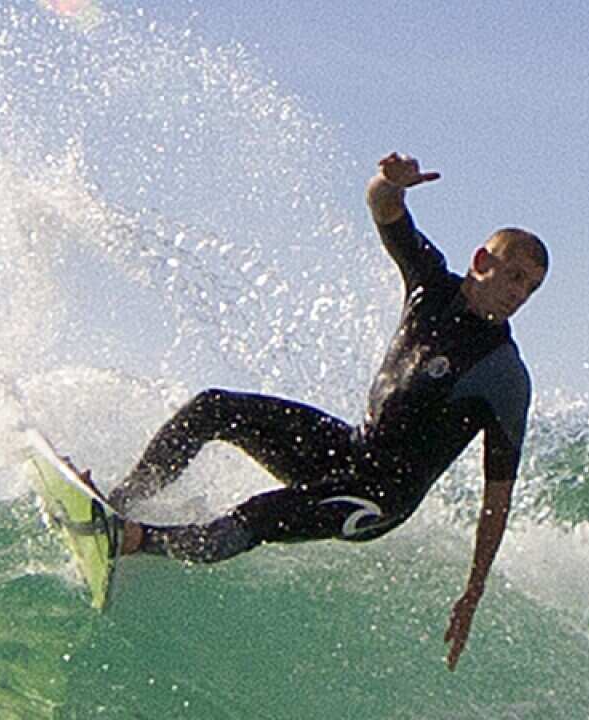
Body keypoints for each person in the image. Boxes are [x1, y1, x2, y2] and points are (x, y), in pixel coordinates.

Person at [105, 152, 548, 670]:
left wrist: (473, 593)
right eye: (514, 275)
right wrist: (389, 182)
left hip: (380, 498)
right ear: (481, 262)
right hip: (351, 448)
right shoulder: (431, 284)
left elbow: (497, 496)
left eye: (531, 287)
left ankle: (134, 540)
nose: (519, 294)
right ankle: (120, 500)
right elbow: (384, 207)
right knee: (213, 407)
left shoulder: (505, 377)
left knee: (257, 516)